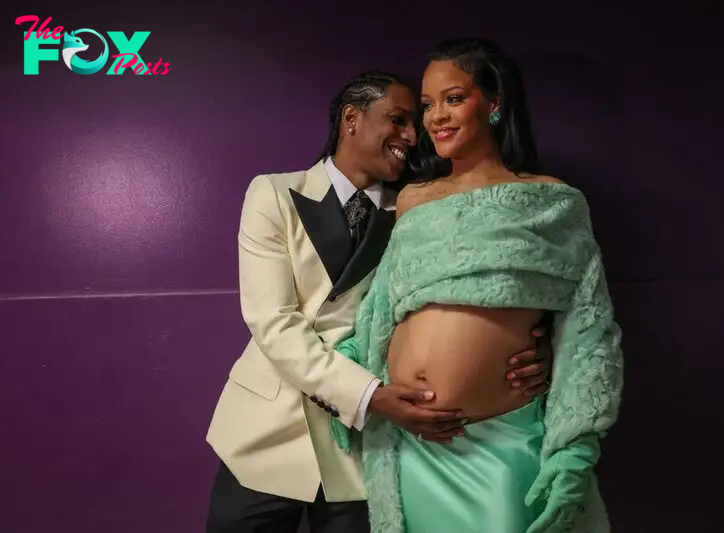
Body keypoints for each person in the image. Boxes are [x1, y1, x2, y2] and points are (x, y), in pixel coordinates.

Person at [204, 70, 554, 533]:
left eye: (416, 122)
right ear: (352, 118)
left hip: (362, 449)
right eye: (398, 120)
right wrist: (370, 396)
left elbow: (475, 292)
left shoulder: (417, 212)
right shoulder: (273, 194)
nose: (413, 136)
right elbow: (273, 322)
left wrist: (537, 345)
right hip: (267, 432)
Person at [331, 39, 624, 533]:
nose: (435, 117)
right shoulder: (413, 201)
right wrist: (356, 380)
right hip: (413, 446)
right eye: (426, 105)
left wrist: (576, 450)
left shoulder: (552, 201)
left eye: (453, 98)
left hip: (500, 442)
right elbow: (381, 308)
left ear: (493, 103)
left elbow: (589, 329)